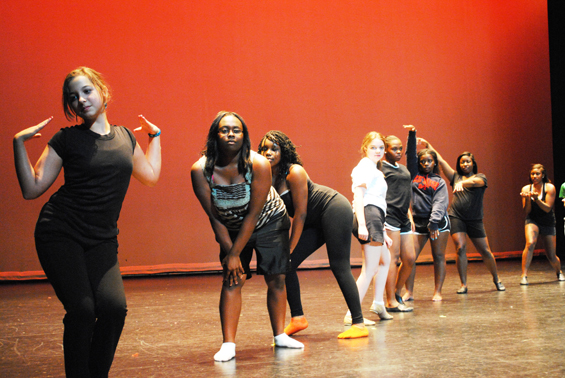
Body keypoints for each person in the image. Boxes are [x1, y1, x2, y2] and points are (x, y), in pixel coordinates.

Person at [13, 67, 162, 377]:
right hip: (60, 232)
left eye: (86, 91)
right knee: (82, 312)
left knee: (113, 309)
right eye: (72, 97)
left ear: (102, 92)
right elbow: (32, 188)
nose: (80, 100)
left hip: (101, 238)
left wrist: (155, 137)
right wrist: (18, 144)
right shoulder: (67, 139)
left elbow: (149, 176)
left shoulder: (124, 138)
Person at [191, 112, 303, 362]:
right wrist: (231, 255)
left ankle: (279, 336)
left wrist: (234, 253)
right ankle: (228, 344)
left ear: (244, 135)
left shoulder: (258, 164)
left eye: (236, 130)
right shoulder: (200, 170)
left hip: (269, 221)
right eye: (224, 130)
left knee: (277, 278)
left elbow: (253, 214)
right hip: (230, 225)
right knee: (232, 279)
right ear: (215, 135)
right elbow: (214, 216)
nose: (230, 134)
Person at [258, 130, 369, 339]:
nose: (268, 153)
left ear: (284, 151)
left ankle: (359, 323)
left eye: (274, 148)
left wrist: (290, 245)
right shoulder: (268, 177)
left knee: (339, 265)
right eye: (264, 149)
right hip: (315, 220)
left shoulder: (295, 171)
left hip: (333, 209)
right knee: (286, 264)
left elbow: (299, 214)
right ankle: (298, 318)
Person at [417, 140, 505, 293]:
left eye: (468, 162)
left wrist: (463, 184)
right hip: (456, 216)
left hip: (475, 219)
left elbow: (477, 182)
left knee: (485, 250)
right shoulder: (455, 176)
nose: (465, 164)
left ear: (473, 163)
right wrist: (428, 145)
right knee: (460, 247)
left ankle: (496, 279)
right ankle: (463, 284)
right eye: (462, 162)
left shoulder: (480, 177)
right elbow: (441, 160)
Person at [347, 131, 393, 322]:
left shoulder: (374, 169)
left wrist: (383, 231)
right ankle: (352, 314)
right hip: (368, 216)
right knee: (370, 269)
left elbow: (378, 202)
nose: (378, 151)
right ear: (365, 148)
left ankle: (378, 304)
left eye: (381, 147)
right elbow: (360, 196)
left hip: (375, 218)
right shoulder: (365, 167)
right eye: (373, 147)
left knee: (385, 260)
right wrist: (363, 225)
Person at [403, 126, 449, 302]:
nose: (426, 164)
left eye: (429, 161)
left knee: (438, 256)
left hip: (437, 224)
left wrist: (434, 222)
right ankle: (409, 292)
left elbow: (440, 203)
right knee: (410, 257)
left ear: (434, 162)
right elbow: (410, 156)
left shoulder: (440, 182)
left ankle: (438, 291)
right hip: (418, 222)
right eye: (423, 161)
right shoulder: (414, 175)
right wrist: (412, 135)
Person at [379, 131, 416, 312]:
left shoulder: (403, 169)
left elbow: (406, 194)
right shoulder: (381, 168)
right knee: (392, 259)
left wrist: (409, 215)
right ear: (386, 150)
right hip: (389, 217)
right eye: (394, 149)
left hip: (403, 218)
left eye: (401, 148)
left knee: (409, 258)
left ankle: (397, 292)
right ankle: (390, 301)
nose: (399, 152)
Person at [519, 164, 565, 285]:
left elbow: (547, 209)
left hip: (547, 221)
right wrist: (528, 199)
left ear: (543, 175)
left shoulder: (549, 188)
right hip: (532, 220)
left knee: (551, 255)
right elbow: (526, 211)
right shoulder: (526, 189)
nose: (534, 176)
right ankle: (524, 275)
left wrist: (537, 199)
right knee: (530, 243)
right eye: (532, 174)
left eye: (537, 174)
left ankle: (558, 271)